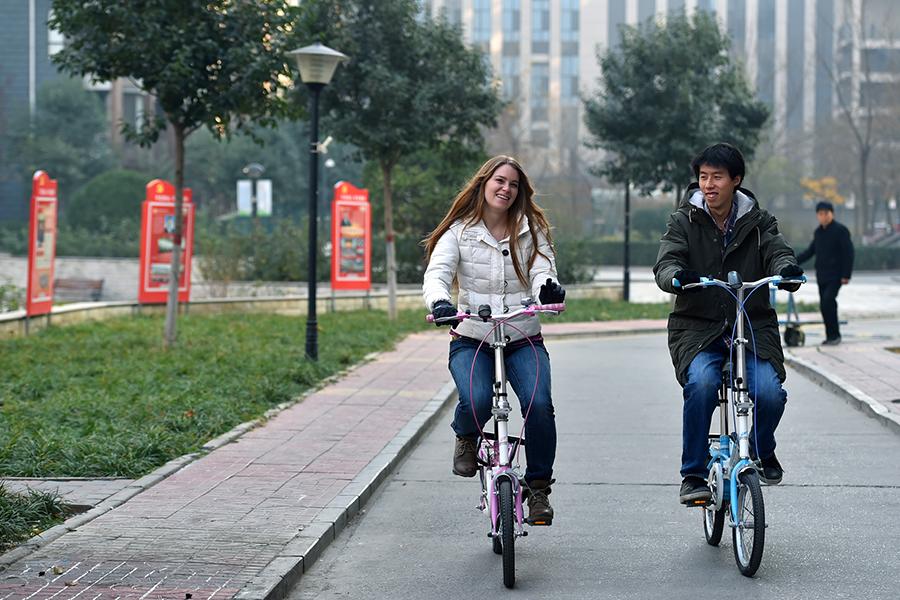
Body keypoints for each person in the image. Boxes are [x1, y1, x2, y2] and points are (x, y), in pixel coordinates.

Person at [653, 143, 804, 505]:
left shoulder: (759, 222)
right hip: (698, 327)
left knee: (769, 393)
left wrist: (785, 271)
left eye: (717, 177)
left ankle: (763, 449)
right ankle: (692, 473)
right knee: (702, 383)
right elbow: (666, 261)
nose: (708, 184)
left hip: (751, 326)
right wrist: (676, 276)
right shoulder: (683, 220)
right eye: (703, 177)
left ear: (735, 180)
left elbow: (777, 250)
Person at [422, 155, 566, 524]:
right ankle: (467, 435)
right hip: (472, 336)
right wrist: (440, 301)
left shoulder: (531, 229)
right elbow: (437, 273)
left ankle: (537, 490)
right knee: (478, 398)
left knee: (539, 404)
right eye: (499, 181)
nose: (506, 188)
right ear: (484, 183)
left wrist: (546, 290)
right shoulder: (459, 231)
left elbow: (541, 269)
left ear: (520, 192)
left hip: (521, 335)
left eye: (513, 184)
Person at [796, 201, 854, 345]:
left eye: (826, 213)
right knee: (824, 306)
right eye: (820, 214)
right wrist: (792, 261)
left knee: (828, 301)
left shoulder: (841, 230)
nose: (823, 216)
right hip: (822, 275)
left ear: (831, 213)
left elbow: (849, 253)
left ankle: (835, 335)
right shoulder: (818, 232)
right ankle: (830, 336)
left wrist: (846, 274)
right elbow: (810, 252)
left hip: (836, 275)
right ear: (817, 215)